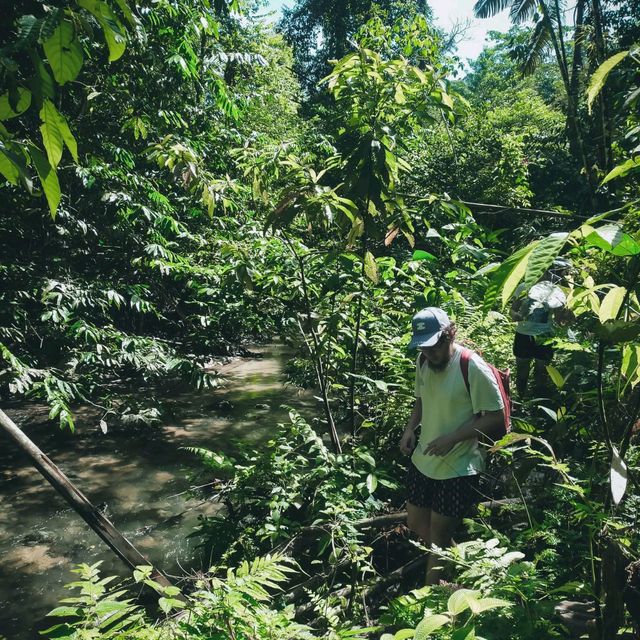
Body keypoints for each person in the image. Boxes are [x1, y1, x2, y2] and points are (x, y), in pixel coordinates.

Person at [399, 307, 506, 585]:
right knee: (416, 524)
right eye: (424, 348)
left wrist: (454, 438)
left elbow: (497, 417)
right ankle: (464, 564)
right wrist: (411, 428)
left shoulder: (471, 366)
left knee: (437, 540)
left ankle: (428, 600)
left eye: (436, 346)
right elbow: (421, 399)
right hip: (424, 458)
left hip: (460, 465)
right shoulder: (423, 362)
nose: (430, 353)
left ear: (451, 334)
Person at [510, 258, 573, 397]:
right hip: (523, 335)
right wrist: (516, 316)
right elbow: (513, 309)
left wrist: (567, 316)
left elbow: (559, 319)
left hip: (544, 336)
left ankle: (538, 402)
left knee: (542, 371)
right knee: (522, 370)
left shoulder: (556, 291)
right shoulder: (524, 288)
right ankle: (521, 399)